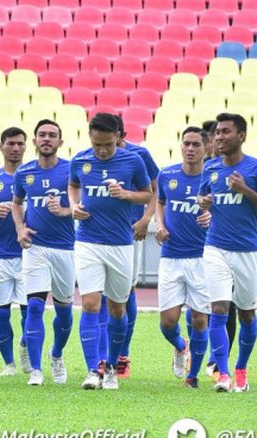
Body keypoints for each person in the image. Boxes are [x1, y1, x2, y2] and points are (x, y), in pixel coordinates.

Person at [69, 113, 151, 390]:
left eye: (107, 145)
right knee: (90, 303)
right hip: (88, 242)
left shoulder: (133, 161)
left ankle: (113, 367)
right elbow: (73, 185)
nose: (102, 151)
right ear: (90, 137)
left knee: (117, 308)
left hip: (120, 243)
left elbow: (148, 193)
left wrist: (126, 195)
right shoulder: (80, 159)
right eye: (97, 145)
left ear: (118, 136)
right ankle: (93, 370)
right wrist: (74, 205)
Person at [12, 119, 75, 385]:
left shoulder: (72, 172)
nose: (46, 139)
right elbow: (17, 203)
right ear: (35, 141)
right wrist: (20, 228)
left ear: (60, 142)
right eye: (42, 135)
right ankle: (36, 370)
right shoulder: (24, 173)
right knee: (35, 306)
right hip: (35, 247)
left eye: (52, 135)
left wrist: (65, 211)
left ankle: (57, 354)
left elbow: (84, 205)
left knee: (63, 311)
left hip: (65, 248)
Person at [96, 115, 159, 379]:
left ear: (121, 134)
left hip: (129, 232)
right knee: (97, 295)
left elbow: (155, 190)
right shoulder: (92, 156)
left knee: (124, 295)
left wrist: (146, 219)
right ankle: (102, 356)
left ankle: (122, 353)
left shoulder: (139, 155)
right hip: (98, 234)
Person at [198, 113, 257, 393]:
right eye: (217, 132)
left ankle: (241, 368)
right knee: (218, 309)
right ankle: (222, 374)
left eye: (225, 132)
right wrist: (204, 202)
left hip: (248, 251)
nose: (219, 137)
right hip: (215, 247)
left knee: (247, 314)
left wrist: (244, 189)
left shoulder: (254, 168)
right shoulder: (210, 168)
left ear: (241, 136)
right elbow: (202, 199)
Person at [155, 127, 212, 388]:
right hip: (172, 256)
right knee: (167, 322)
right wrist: (161, 225)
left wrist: (214, 216)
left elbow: (229, 208)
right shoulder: (167, 174)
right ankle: (180, 345)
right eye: (186, 144)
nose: (190, 149)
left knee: (200, 318)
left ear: (206, 147)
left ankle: (193, 376)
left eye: (195, 145)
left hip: (203, 258)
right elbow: (161, 201)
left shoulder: (213, 176)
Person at [0, 127, 28, 378]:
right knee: (1, 311)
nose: (16, 148)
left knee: (29, 310)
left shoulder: (31, 176)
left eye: (20, 143)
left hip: (28, 254)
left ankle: (25, 347)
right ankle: (9, 363)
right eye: (11, 143)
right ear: (1, 146)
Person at [200, 118, 237, 380]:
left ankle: (218, 361)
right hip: (201, 248)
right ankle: (210, 359)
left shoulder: (240, 170)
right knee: (206, 308)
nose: (212, 142)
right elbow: (203, 203)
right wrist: (204, 208)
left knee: (228, 306)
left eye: (214, 137)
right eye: (210, 138)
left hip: (233, 247)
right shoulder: (206, 169)